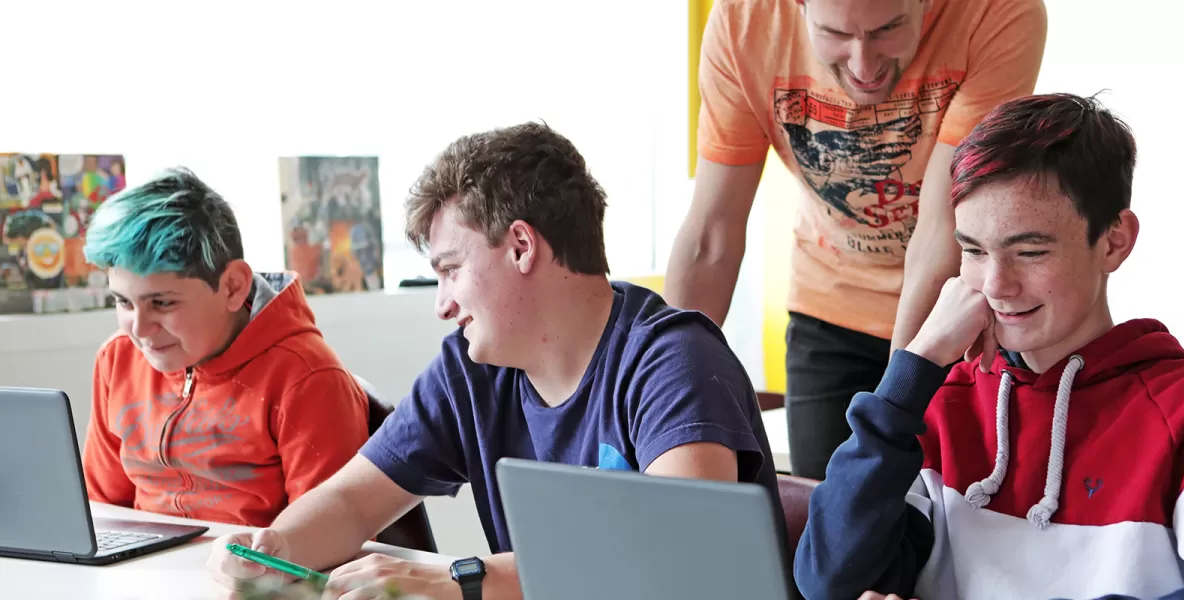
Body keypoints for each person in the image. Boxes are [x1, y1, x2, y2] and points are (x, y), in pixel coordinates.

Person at [207, 122, 782, 600]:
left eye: (451, 269)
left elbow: (679, 560)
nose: (442, 304)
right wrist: (274, 550)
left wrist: (462, 580)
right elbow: (352, 501)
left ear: (522, 246)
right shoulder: (471, 368)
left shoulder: (673, 360)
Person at [793, 94, 1184, 600]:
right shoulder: (940, 404)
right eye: (973, 252)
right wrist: (914, 370)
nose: (996, 284)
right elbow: (831, 581)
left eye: (1028, 251)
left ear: (1114, 241)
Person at [666, 0, 1048, 480]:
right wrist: (660, 392)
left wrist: (897, 399)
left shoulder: (998, 12)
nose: (864, 65)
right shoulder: (746, 21)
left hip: (958, 309)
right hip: (828, 309)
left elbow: (939, 228)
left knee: (958, 516)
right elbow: (711, 234)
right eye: (835, 34)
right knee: (826, 522)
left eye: (888, 29)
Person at [80, 167, 370, 528]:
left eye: (163, 303)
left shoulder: (306, 378)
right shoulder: (118, 358)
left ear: (232, 287)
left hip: (255, 578)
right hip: (142, 576)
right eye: (123, 302)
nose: (139, 330)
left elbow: (328, 535)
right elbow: (102, 508)